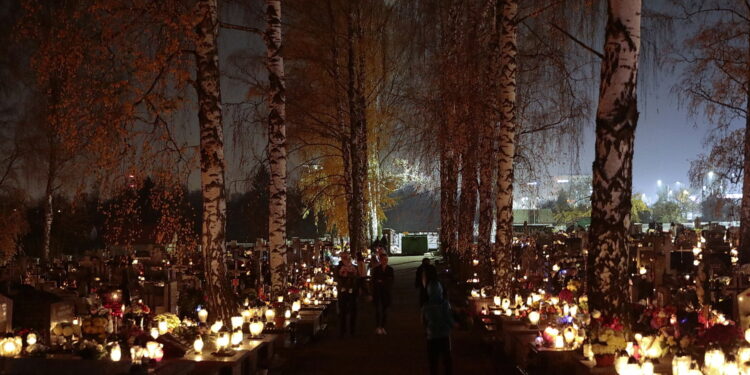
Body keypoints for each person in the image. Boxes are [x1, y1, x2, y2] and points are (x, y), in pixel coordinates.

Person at [422, 266, 454, 375]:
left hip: (432, 336)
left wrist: (426, 330)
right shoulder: (444, 304)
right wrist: (453, 325)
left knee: (433, 361)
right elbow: (448, 318)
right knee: (447, 359)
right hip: (444, 335)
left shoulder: (426, 306)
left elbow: (423, 322)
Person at [335, 252, 358, 336]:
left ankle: (352, 331)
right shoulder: (338, 268)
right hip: (343, 292)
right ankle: (342, 331)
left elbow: (357, 278)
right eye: (344, 258)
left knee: (353, 312)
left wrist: (350, 276)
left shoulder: (355, 267)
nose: (346, 260)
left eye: (347, 258)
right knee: (342, 312)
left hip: (352, 292)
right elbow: (337, 278)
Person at [371, 253, 394, 335]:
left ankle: (383, 326)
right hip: (377, 291)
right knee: (377, 310)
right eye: (384, 259)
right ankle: (378, 326)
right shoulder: (376, 269)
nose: (385, 261)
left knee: (385, 310)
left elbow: (391, 280)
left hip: (386, 292)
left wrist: (381, 281)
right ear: (380, 260)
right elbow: (373, 281)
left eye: (386, 259)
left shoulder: (390, 269)